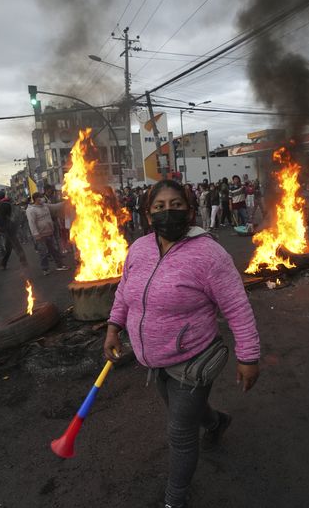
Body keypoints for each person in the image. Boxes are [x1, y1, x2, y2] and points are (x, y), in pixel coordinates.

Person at [103, 180, 260, 508]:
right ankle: (218, 422)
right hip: (154, 360)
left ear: (190, 211)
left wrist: (249, 357)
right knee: (184, 412)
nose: (167, 212)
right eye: (159, 207)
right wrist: (113, 327)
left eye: (176, 205)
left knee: (180, 433)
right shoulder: (139, 249)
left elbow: (237, 307)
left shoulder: (209, 254)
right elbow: (125, 292)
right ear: (148, 215)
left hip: (192, 359)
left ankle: (175, 499)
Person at [26, 192, 68, 275]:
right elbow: (32, 223)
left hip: (49, 233)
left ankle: (60, 265)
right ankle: (45, 269)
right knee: (43, 252)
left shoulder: (45, 206)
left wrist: (66, 202)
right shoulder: (31, 210)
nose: (42, 199)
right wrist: (36, 234)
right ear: (36, 199)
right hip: (40, 235)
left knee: (54, 250)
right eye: (40, 197)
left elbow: (55, 207)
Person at [0, 191, 28, 270]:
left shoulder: (2, 205)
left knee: (15, 245)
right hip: (13, 226)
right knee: (9, 246)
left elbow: (2, 218)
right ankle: (4, 263)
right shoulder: (9, 203)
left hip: (8, 228)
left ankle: (23, 261)